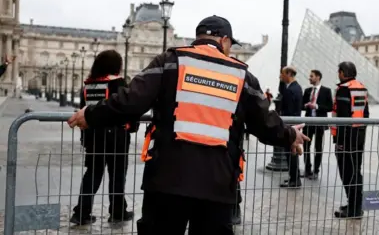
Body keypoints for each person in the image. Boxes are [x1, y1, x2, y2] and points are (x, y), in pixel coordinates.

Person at [67, 15, 308, 234]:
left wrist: (90, 115)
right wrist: (290, 136)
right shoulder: (241, 75)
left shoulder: (170, 61)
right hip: (218, 183)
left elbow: (130, 101)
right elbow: (264, 123)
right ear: (224, 41)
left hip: (167, 178)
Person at [70, 50, 137, 225]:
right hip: (115, 136)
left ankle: (81, 213)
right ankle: (117, 211)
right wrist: (132, 127)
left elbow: (83, 111)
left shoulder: (88, 85)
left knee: (92, 174)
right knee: (117, 175)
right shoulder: (118, 83)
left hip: (93, 136)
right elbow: (126, 107)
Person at [331, 61, 368, 219]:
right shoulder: (360, 87)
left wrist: (339, 140)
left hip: (345, 138)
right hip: (359, 135)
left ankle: (354, 209)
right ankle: (355, 204)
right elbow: (365, 113)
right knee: (355, 171)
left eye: (339, 71)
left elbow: (343, 117)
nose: (338, 74)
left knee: (347, 172)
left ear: (343, 73)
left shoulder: (344, 90)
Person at [301, 70, 333, 180]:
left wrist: (317, 106)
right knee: (306, 147)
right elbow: (301, 105)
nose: (309, 78)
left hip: (319, 123)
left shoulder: (326, 91)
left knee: (318, 148)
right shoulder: (307, 90)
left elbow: (330, 107)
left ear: (318, 77)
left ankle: (316, 171)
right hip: (308, 122)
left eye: (311, 76)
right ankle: (307, 169)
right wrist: (306, 105)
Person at [279, 66, 303, 188]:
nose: (280, 76)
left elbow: (287, 111)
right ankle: (294, 178)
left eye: (282, 73)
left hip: (290, 127)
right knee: (292, 153)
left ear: (288, 74)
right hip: (295, 126)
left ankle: (294, 180)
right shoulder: (297, 87)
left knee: (291, 153)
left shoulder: (290, 90)